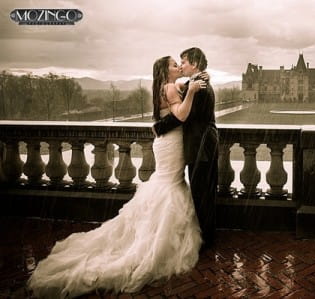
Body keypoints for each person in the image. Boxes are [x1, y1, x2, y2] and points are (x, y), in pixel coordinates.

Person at [27, 56, 206, 298]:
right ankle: (152, 239)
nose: (178, 67)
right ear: (166, 71)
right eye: (174, 64)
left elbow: (177, 96)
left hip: (164, 142)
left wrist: (191, 82)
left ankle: (149, 229)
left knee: (167, 181)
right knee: (169, 183)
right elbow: (182, 116)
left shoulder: (165, 86)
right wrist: (193, 91)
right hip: (172, 142)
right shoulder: (170, 87)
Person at [152, 47, 218, 249]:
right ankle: (206, 237)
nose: (181, 66)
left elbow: (184, 116)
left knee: (202, 195)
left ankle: (206, 241)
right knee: (201, 193)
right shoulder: (195, 82)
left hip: (201, 147)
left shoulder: (200, 85)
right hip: (200, 146)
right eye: (177, 63)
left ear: (195, 64)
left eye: (184, 62)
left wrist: (159, 127)